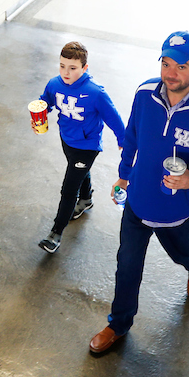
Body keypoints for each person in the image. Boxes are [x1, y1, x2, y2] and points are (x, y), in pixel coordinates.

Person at [89, 30, 189, 354]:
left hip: (178, 212)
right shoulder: (145, 94)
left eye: (181, 66)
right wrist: (124, 177)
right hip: (138, 202)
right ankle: (118, 324)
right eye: (166, 63)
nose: (171, 73)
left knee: (180, 254)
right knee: (127, 265)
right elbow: (132, 135)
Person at [35, 41, 126, 254]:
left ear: (85, 68)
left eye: (73, 68)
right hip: (66, 139)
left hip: (87, 146)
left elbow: (115, 119)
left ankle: (55, 233)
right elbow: (45, 101)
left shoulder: (95, 93)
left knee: (68, 189)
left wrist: (124, 142)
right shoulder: (54, 84)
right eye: (62, 66)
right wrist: (39, 113)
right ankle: (86, 199)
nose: (66, 72)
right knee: (78, 171)